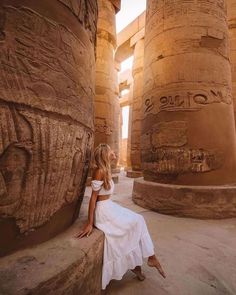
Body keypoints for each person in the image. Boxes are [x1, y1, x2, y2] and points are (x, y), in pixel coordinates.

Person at [74, 143, 166, 290]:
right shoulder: (99, 171)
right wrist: (90, 223)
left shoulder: (106, 170)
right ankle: (149, 259)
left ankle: (146, 260)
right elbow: (93, 198)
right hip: (103, 211)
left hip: (109, 206)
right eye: (111, 151)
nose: (114, 152)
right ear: (105, 154)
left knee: (137, 220)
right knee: (135, 222)